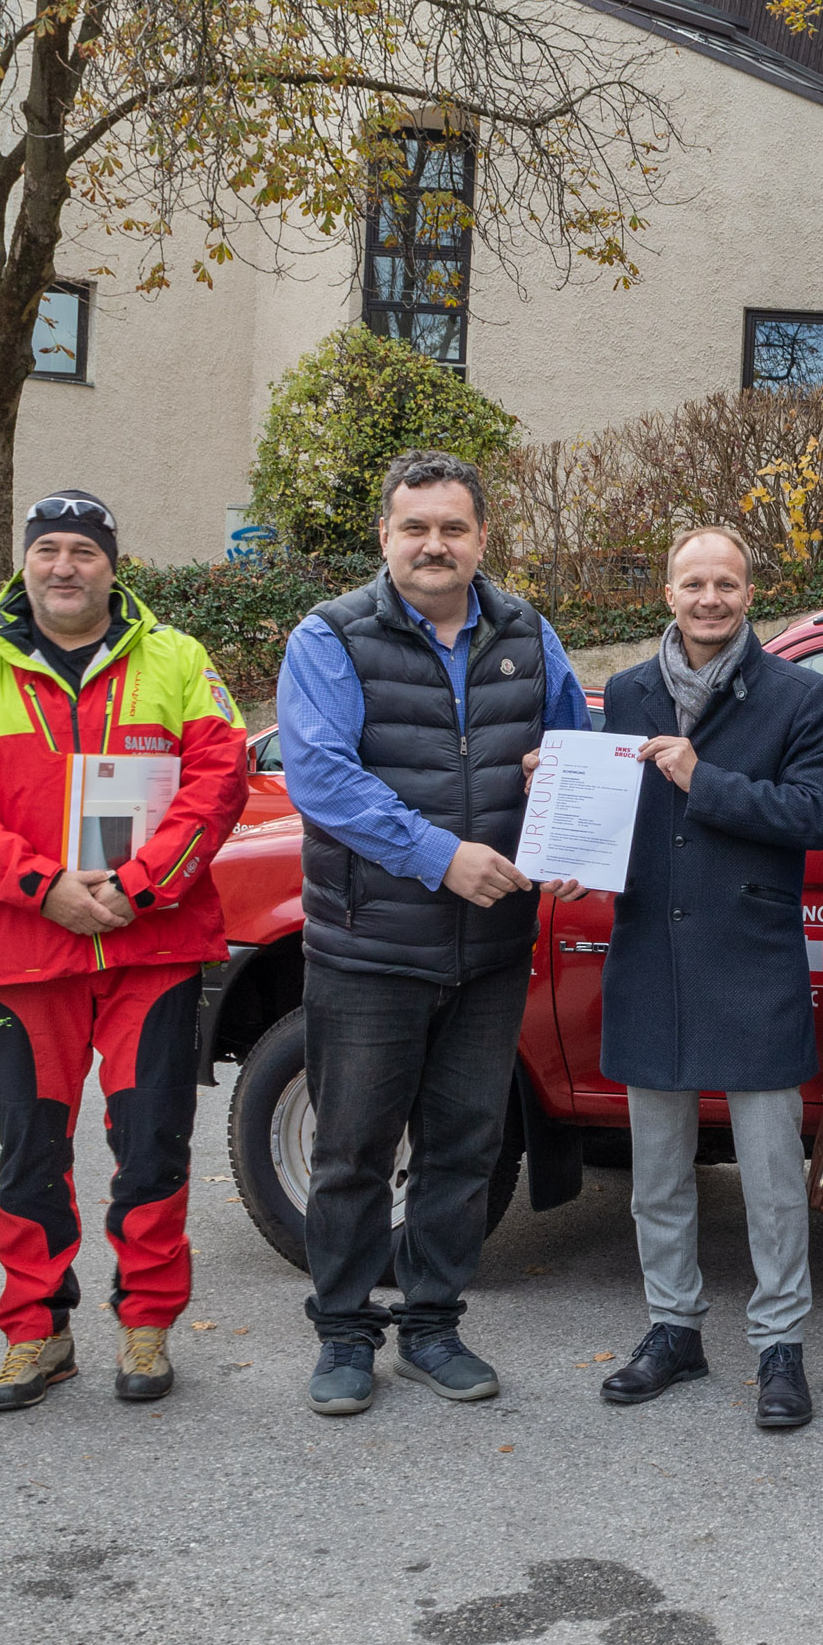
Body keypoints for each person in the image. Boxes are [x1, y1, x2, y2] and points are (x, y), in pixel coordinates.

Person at [0, 491, 249, 1411]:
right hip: (26, 954)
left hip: (152, 948)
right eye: (48, 550)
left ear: (112, 563)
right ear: (26, 562)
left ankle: (145, 1327)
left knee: (151, 1145)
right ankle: (35, 1333)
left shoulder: (175, 659)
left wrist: (135, 885)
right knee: (29, 1153)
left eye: (83, 552)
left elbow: (220, 784)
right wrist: (40, 886)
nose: (65, 567)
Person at [286, 452, 588, 1418]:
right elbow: (325, 779)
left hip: (491, 950)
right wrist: (440, 856)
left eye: (453, 528)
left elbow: (574, 747)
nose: (434, 544)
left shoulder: (529, 635)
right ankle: (342, 1335)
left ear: (481, 539)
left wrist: (573, 823)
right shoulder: (329, 637)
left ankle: (431, 1326)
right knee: (353, 1152)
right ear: (385, 535)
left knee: (464, 1147)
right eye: (415, 527)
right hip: (370, 946)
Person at [583, 527, 823, 1428]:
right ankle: (673, 1330)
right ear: (666, 592)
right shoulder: (626, 692)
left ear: (748, 594)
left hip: (750, 960)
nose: (708, 598)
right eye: (692, 582)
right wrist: (565, 808)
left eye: (725, 583)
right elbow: (613, 816)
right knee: (657, 1171)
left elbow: (814, 817)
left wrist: (704, 777)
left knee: (772, 1176)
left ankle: (780, 1346)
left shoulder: (802, 696)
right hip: (651, 954)